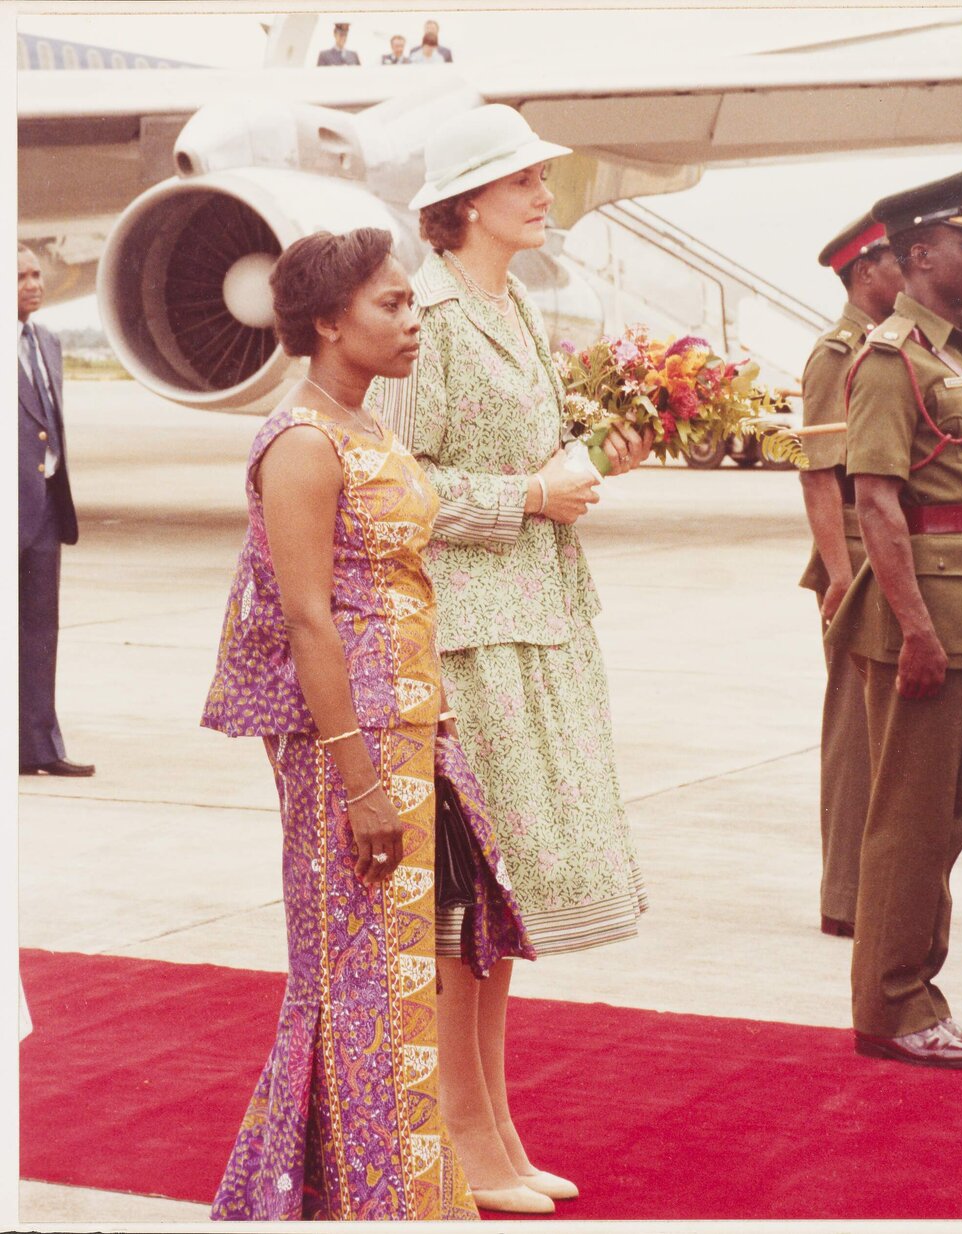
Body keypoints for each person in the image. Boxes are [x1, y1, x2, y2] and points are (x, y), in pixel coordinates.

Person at [203, 228, 530, 1220]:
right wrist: (361, 782)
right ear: (327, 322)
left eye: (411, 302)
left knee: (399, 980)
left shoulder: (368, 430)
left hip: (409, 729)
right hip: (350, 748)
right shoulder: (304, 442)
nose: (412, 317)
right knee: (352, 979)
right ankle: (341, 1200)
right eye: (390, 304)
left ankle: (385, 1193)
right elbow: (308, 615)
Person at [372, 104, 652, 1211]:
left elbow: (527, 460)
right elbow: (394, 488)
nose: (545, 195)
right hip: (466, 634)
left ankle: (493, 1127)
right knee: (467, 907)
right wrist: (533, 493)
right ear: (469, 203)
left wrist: (589, 462)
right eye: (525, 180)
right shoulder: (427, 315)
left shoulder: (515, 303)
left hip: (536, 619)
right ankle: (461, 1141)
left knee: (504, 910)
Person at [826, 169, 962, 1069]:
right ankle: (888, 1010)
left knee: (949, 814)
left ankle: (921, 990)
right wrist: (917, 629)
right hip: (925, 619)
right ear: (921, 254)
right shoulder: (891, 358)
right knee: (908, 820)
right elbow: (877, 502)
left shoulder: (958, 351)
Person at [797, 214, 902, 937]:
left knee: (888, 736)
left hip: (882, 558)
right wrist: (838, 574)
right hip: (857, 565)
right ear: (867, 271)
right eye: (900, 262)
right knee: (854, 738)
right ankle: (846, 898)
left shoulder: (891, 348)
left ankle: (874, 890)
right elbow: (817, 474)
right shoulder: (839, 353)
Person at [18, 244, 94, 778]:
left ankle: (39, 748)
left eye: (35, 275)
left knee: (41, 634)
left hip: (44, 510)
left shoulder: (46, 341)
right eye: (19, 276)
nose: (33, 284)